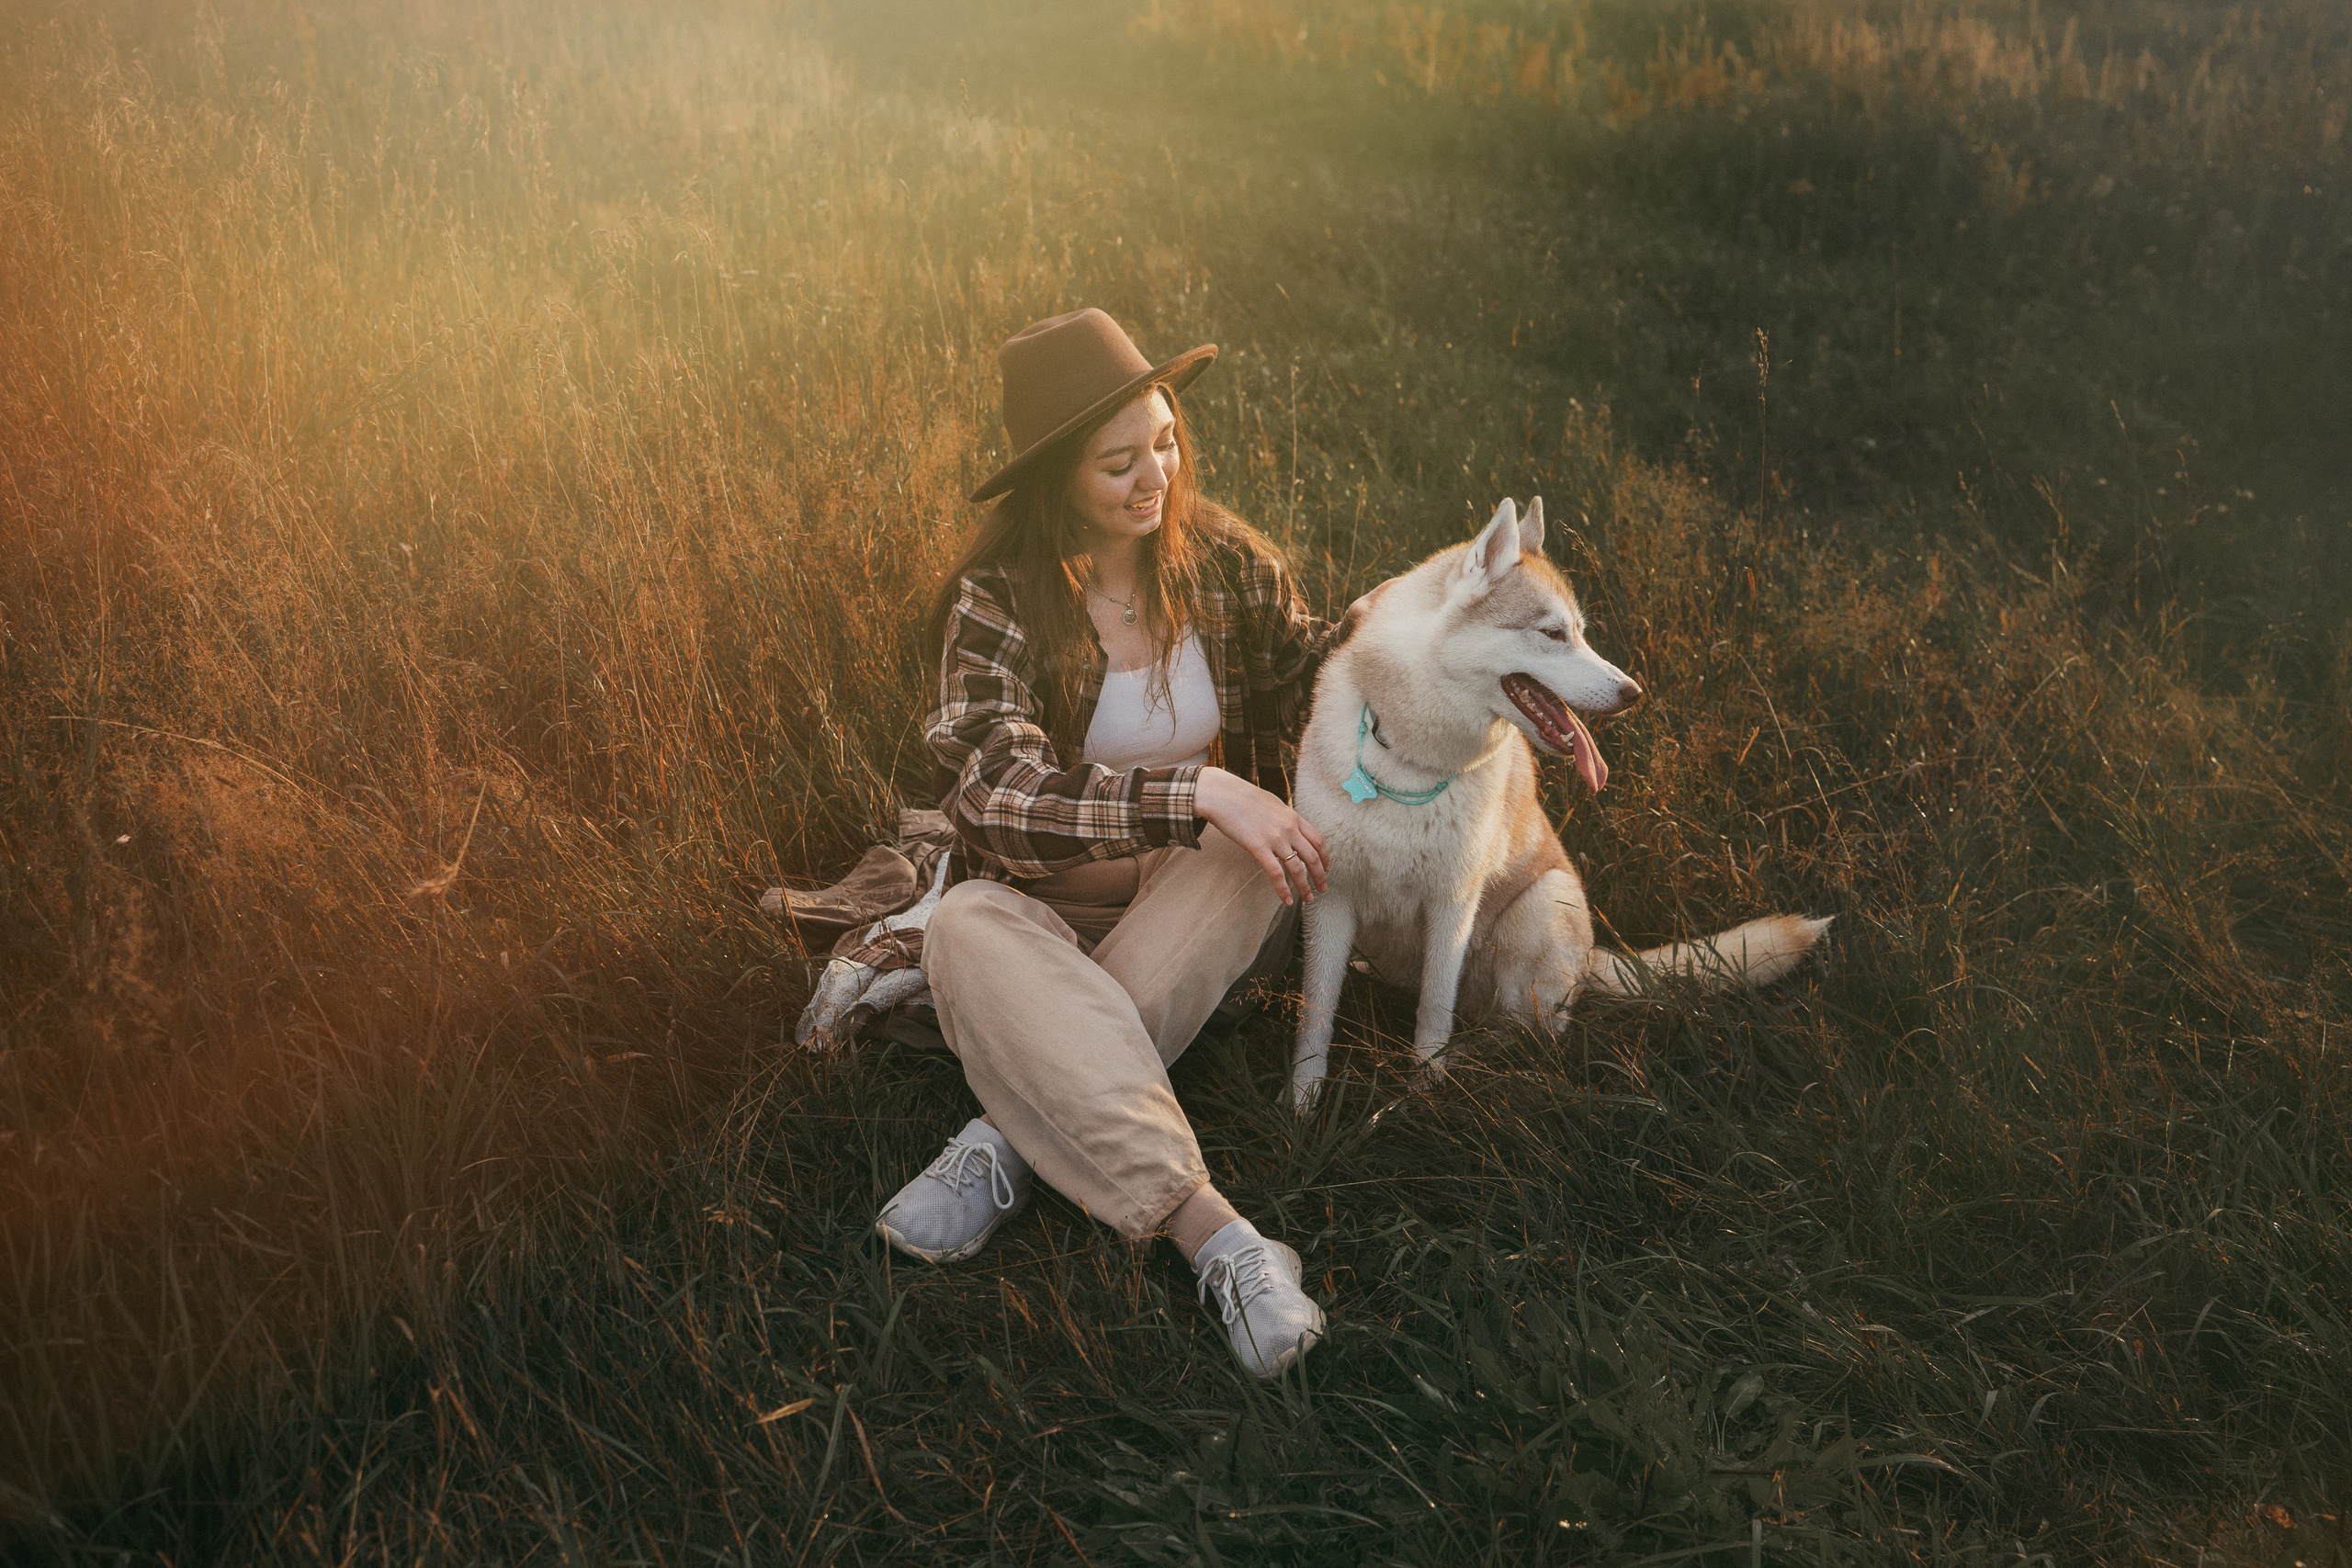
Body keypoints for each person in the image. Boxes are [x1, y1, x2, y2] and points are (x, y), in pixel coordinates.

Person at [874, 308, 1339, 1379]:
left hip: (1198, 903)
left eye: (1166, 442)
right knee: (964, 925)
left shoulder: (1224, 567)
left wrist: (1432, 624)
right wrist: (1199, 785)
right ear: (1054, 480)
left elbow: (1323, 670)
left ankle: (1003, 1133)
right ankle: (1222, 1240)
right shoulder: (997, 602)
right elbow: (993, 790)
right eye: (1118, 463)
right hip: (1042, 910)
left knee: (1249, 853)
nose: (1156, 479)